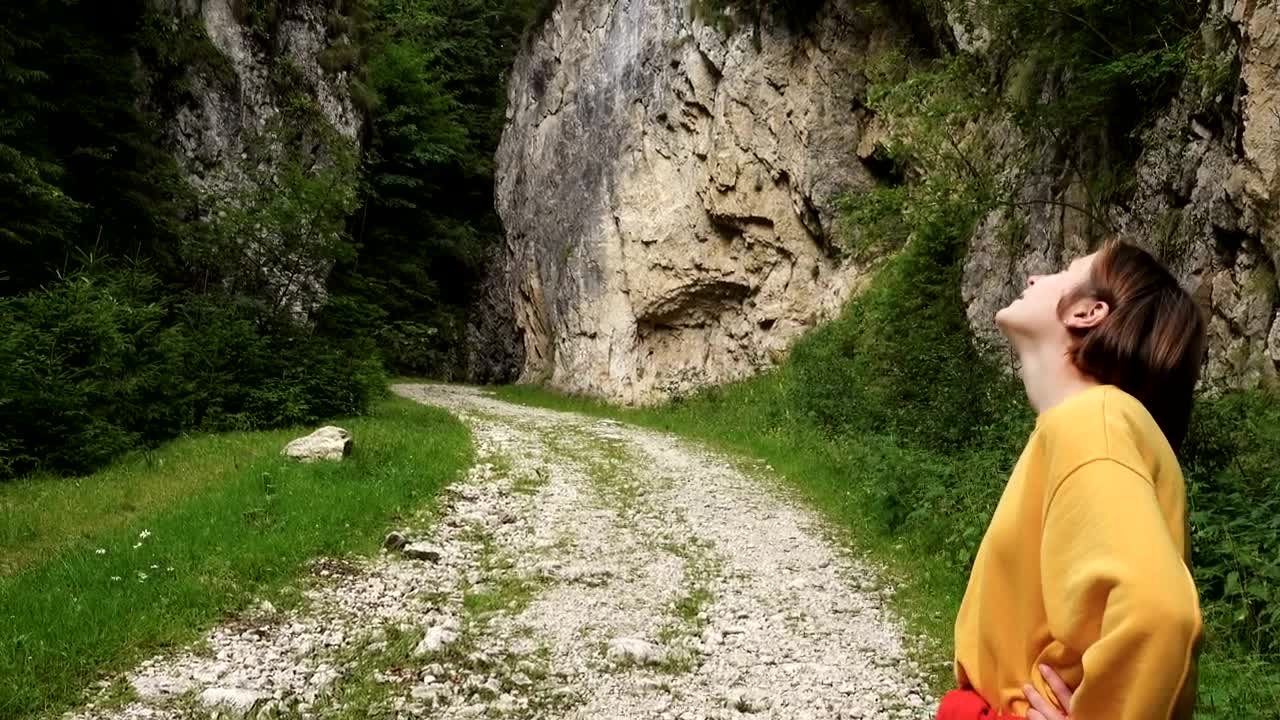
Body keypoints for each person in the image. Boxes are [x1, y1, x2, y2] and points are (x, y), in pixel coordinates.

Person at [937, 241, 1206, 720]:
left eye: (1065, 270)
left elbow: (1161, 616)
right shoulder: (1094, 427)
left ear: (1087, 311)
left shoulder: (1092, 424)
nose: (1038, 276)